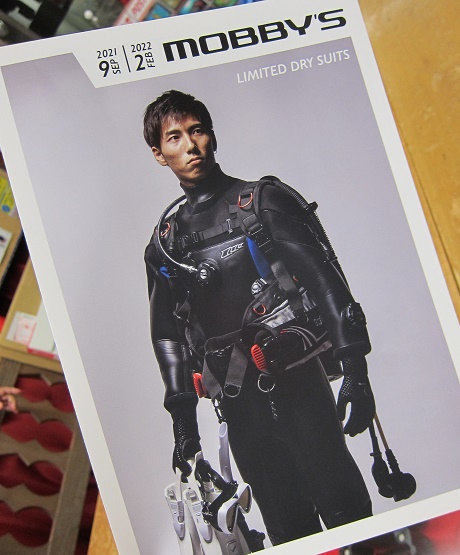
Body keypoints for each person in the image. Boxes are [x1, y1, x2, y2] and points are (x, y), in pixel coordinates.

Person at [144, 90, 375, 547]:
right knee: (286, 528)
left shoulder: (260, 203)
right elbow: (166, 334)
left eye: (197, 131)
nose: (190, 145)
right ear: (159, 153)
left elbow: (328, 285)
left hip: (299, 384)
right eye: (175, 137)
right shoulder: (165, 245)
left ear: (212, 136)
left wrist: (355, 371)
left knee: (347, 511)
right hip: (237, 404)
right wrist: (182, 420)